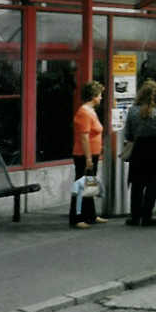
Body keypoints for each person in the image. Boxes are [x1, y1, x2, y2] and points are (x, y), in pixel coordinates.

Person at [124, 80, 156, 226]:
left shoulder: (132, 111)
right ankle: (147, 217)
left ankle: (135, 217)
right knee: (152, 184)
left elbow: (128, 134)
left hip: (138, 149)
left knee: (137, 185)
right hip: (154, 149)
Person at [70, 81, 108, 229]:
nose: (101, 98)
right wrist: (87, 158)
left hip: (93, 153)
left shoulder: (90, 111)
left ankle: (90, 215)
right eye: (99, 95)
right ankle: (77, 218)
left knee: (89, 184)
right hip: (84, 154)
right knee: (81, 185)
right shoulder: (84, 112)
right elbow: (84, 136)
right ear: (93, 96)